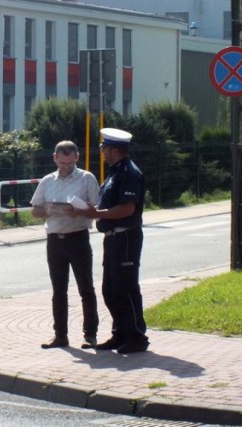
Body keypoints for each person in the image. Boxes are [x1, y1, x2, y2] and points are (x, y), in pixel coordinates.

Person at [77, 128, 149, 354]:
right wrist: (91, 211)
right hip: (113, 238)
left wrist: (97, 214)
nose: (102, 152)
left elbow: (127, 208)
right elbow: (109, 204)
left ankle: (136, 336)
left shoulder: (129, 172)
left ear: (115, 150)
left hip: (126, 236)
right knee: (110, 289)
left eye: (104, 148)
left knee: (126, 288)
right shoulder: (115, 171)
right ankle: (120, 333)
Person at [30, 140, 100, 350]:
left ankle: (90, 334)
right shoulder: (47, 181)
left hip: (78, 237)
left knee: (85, 288)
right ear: (55, 159)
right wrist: (48, 210)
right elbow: (35, 210)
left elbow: (97, 207)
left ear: (77, 158)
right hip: (55, 240)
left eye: (70, 163)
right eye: (62, 163)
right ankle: (60, 335)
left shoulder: (86, 178)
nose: (66, 167)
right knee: (58, 290)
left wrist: (78, 210)